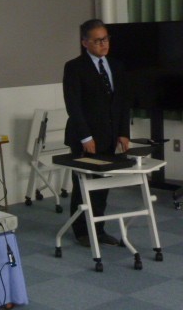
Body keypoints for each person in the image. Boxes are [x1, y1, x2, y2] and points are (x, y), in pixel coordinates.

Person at [63, 18, 131, 247]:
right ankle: (82, 231)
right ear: (85, 42)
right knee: (83, 183)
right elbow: (73, 105)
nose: (104, 44)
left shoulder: (116, 65)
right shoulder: (74, 67)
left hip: (109, 135)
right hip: (85, 137)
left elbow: (122, 101)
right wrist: (86, 137)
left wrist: (123, 132)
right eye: (98, 40)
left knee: (102, 184)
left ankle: (99, 228)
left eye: (106, 39)